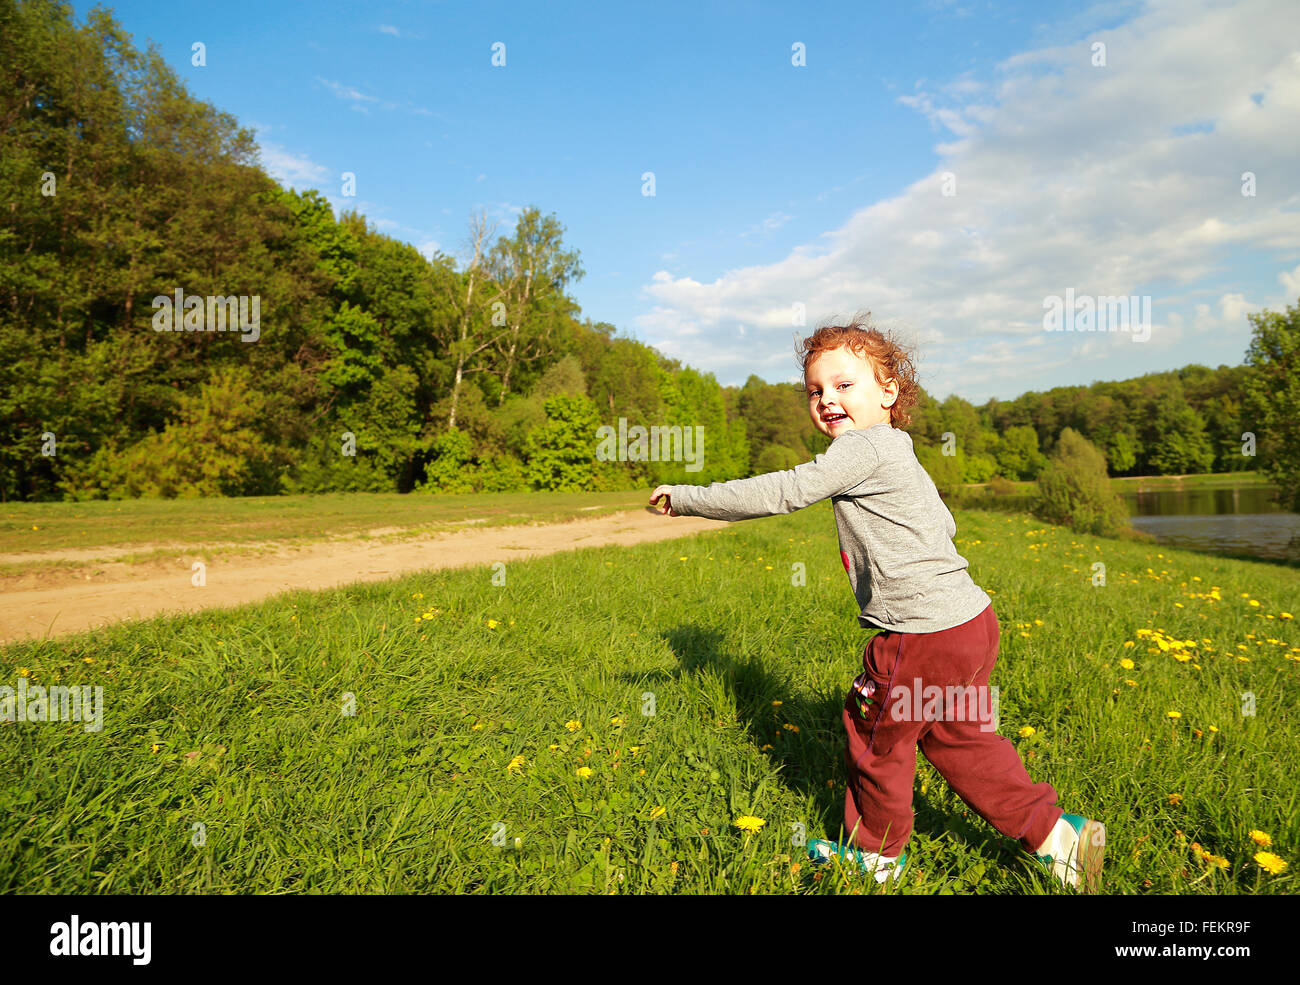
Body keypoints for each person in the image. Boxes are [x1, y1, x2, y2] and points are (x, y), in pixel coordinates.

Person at [649, 313, 1104, 892]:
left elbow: (784, 491)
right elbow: (944, 522)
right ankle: (1056, 836)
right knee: (957, 736)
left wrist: (688, 499)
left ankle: (875, 855)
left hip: (920, 634)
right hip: (968, 623)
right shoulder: (898, 451)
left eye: (844, 385)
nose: (827, 400)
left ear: (888, 392)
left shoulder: (861, 449)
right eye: (815, 391)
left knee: (873, 733)